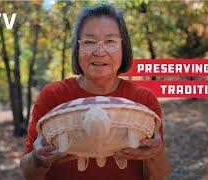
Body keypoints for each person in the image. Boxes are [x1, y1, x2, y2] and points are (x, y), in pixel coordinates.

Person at [19, 3, 170, 180]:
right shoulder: (53, 96)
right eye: (89, 42)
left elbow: (159, 176)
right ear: (77, 47)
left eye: (110, 41)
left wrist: (156, 153)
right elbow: (28, 172)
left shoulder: (143, 100)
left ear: (124, 47)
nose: (100, 52)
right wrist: (39, 158)